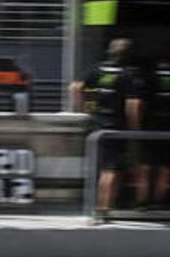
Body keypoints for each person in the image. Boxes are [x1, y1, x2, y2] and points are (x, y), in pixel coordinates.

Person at [70, 38, 146, 220]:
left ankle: (105, 206)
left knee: (106, 169)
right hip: (116, 128)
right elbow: (133, 105)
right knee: (111, 170)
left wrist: (83, 109)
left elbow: (75, 87)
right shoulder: (128, 75)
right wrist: (134, 130)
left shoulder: (97, 69)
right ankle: (102, 209)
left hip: (97, 125)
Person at [143, 53, 170, 207]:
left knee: (145, 167)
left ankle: (143, 202)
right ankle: (158, 202)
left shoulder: (149, 76)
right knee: (165, 169)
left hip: (150, 125)